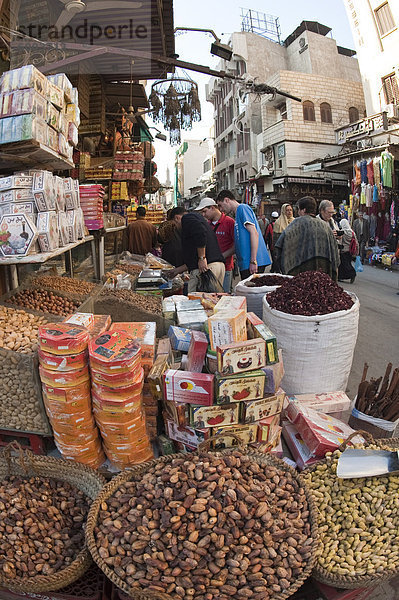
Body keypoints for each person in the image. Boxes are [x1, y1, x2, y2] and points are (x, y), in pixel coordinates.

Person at [274, 196, 340, 281]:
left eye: (299, 209)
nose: (297, 212)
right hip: (323, 276)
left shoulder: (295, 225)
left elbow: (279, 246)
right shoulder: (326, 227)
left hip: (300, 276)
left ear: (303, 210)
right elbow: (335, 254)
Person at [216, 190, 271, 280]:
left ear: (226, 200)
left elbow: (254, 233)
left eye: (220, 205)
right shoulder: (237, 215)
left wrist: (253, 261)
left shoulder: (242, 208)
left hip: (253, 262)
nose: (221, 209)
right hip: (245, 263)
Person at [167, 208, 225, 293]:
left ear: (177, 218)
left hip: (206, 269)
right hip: (214, 266)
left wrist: (202, 258)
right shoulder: (195, 219)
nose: (175, 228)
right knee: (212, 302)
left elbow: (200, 232)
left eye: (174, 225)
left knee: (197, 302)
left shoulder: (186, 218)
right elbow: (194, 258)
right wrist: (177, 270)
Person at [195, 197, 235, 293]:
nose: (203, 215)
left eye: (204, 211)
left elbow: (235, 246)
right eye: (202, 213)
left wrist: (220, 256)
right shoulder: (206, 224)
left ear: (212, 208)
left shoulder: (230, 222)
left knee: (223, 295)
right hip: (210, 267)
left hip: (226, 267)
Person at [338, 219, 357, 284]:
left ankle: (352, 274)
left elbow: (340, 241)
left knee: (345, 264)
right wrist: (356, 252)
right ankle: (341, 277)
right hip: (350, 251)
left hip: (343, 250)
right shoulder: (352, 232)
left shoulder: (342, 232)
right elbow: (356, 243)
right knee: (346, 263)